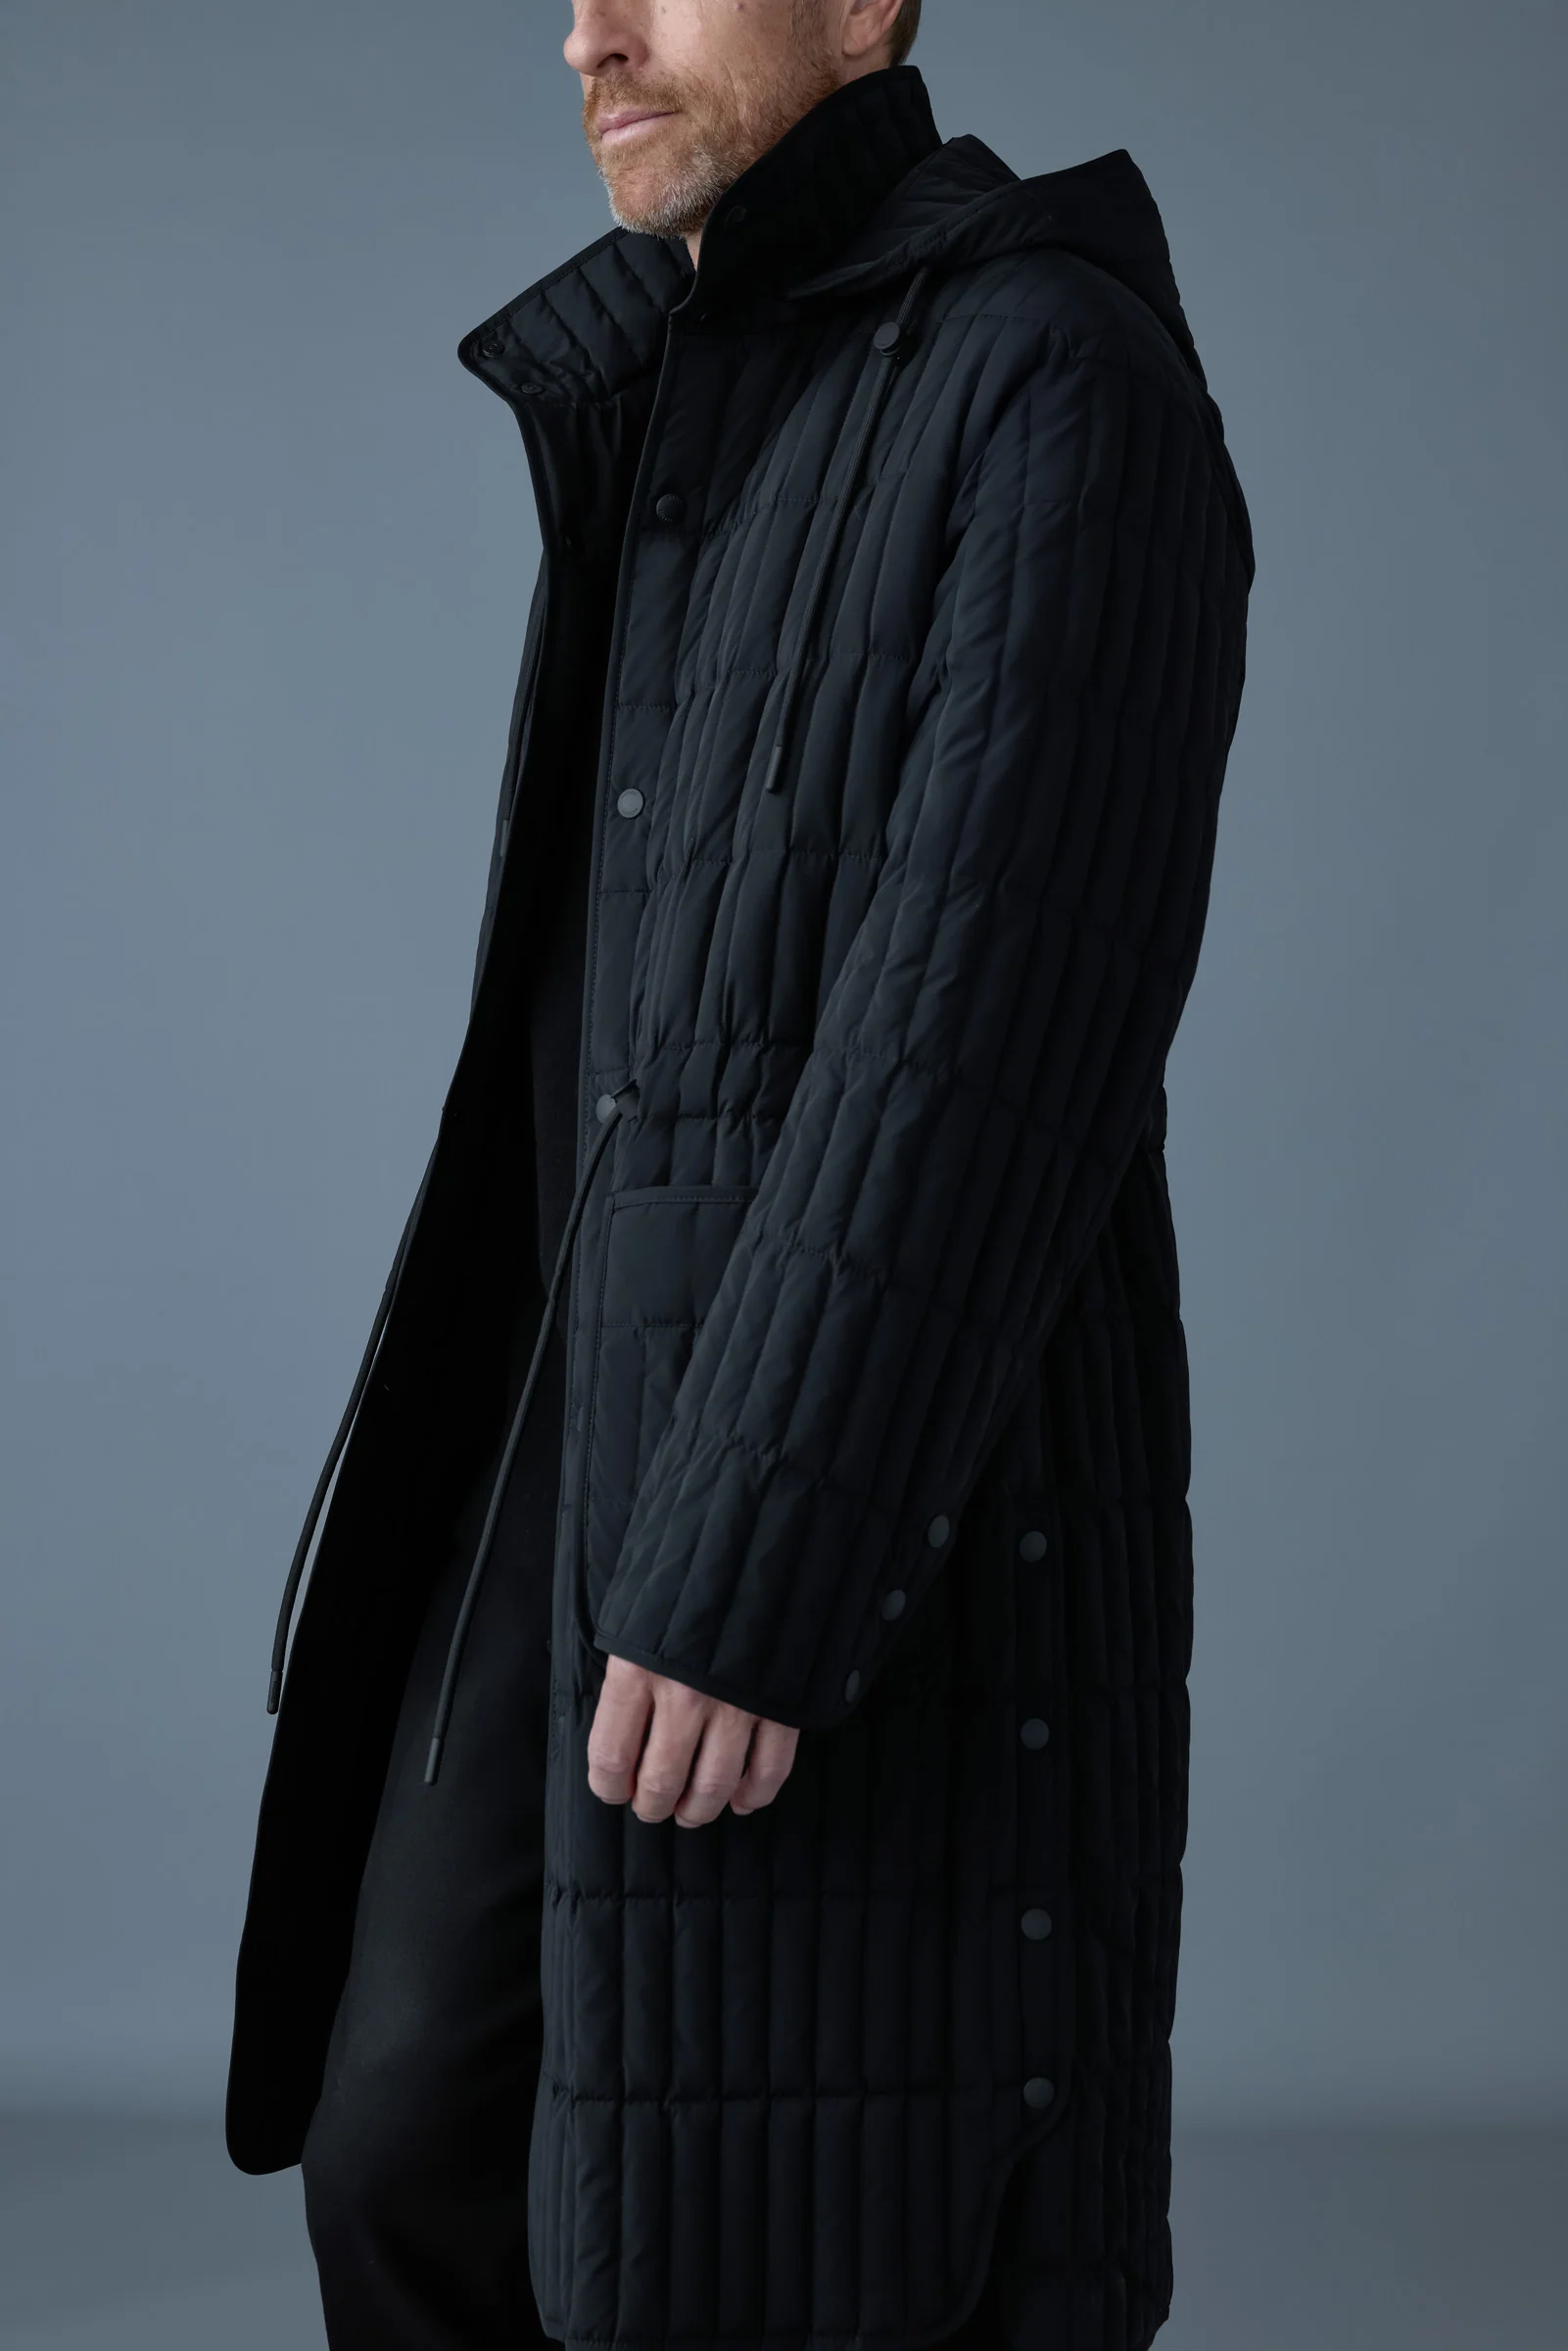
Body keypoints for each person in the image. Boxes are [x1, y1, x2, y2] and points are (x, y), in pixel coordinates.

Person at [226, 3, 1254, 2346]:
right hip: (570, 1432)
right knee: (405, 2148)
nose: (584, 34)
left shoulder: (1052, 377)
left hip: (838, 1475)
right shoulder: (687, 400)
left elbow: (994, 1025)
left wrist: (758, 1565)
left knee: (808, 2239)